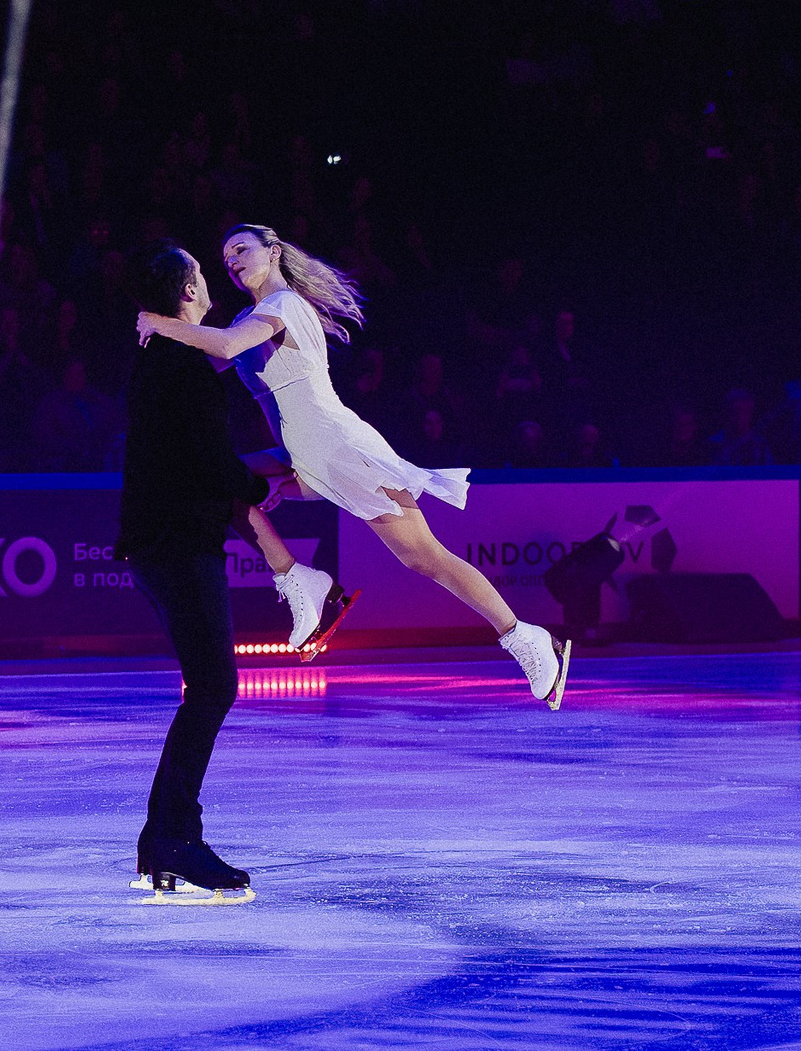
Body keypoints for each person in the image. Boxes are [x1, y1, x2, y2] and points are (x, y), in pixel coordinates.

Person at [137, 222, 570, 707]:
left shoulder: (282, 307)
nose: (232, 260)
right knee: (221, 482)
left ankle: (527, 639)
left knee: (423, 557)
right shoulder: (248, 318)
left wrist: (160, 321)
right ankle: (301, 580)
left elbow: (223, 347)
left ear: (274, 252)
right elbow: (206, 358)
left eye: (241, 248)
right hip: (302, 452)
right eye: (225, 257)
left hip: (335, 446)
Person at [118, 243, 265, 903]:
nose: (211, 284)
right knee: (213, 686)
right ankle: (175, 837)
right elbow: (209, 460)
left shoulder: (163, 360)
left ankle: (165, 838)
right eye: (202, 277)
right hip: (177, 542)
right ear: (184, 294)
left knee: (208, 686)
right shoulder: (183, 365)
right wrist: (259, 482)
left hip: (163, 541)